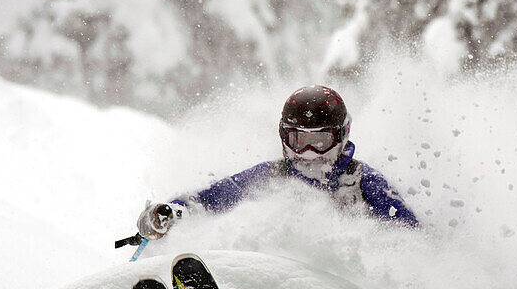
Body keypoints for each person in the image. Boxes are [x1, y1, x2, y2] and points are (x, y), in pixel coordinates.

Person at [136, 84, 419, 240]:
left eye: (320, 142)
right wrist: (172, 212)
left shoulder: (363, 183)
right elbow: (210, 199)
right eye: (299, 141)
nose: (309, 154)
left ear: (341, 137)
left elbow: (412, 237)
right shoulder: (272, 176)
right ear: (284, 137)